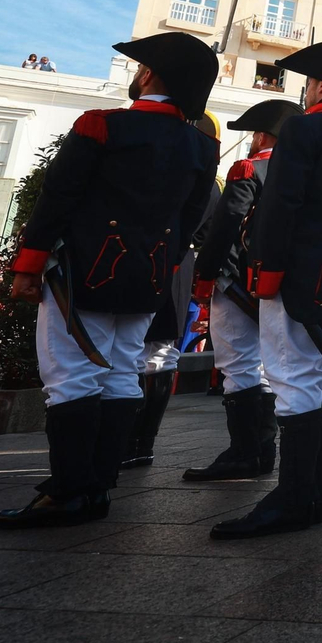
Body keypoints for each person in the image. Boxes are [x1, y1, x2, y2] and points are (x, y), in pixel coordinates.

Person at [0, 33, 218, 529]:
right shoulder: (204, 146)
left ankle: (70, 491)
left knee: (70, 375)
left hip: (85, 272)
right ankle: (97, 487)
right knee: (120, 374)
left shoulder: (100, 125)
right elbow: (190, 218)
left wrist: (28, 266)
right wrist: (164, 263)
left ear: (149, 75)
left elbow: (58, 197)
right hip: (149, 276)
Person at [210, 41, 322, 540]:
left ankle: (293, 498)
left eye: (309, 82)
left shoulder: (304, 128)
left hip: (300, 269)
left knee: (291, 376)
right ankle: (313, 493)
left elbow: (281, 204)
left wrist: (267, 271)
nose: (305, 90)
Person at [185, 98, 301, 482]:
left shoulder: (248, 167)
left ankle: (244, 452)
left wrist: (204, 278)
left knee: (237, 365)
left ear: (263, 135)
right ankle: (264, 449)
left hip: (235, 279)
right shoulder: (300, 172)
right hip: (279, 283)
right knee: (267, 366)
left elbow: (226, 226)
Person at [124, 110, 223, 469]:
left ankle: (131, 439)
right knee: (161, 354)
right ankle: (142, 440)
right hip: (182, 268)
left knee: (135, 350)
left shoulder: (176, 172)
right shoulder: (213, 184)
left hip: (158, 262)